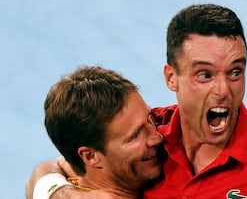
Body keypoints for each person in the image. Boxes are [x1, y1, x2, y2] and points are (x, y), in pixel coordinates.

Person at [26, 4, 247, 198]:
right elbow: (54, 167)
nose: (223, 90)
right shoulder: (153, 135)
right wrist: (66, 195)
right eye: (204, 75)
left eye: (235, 71)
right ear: (171, 78)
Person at [26, 66, 164, 199]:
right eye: (135, 136)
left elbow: (51, 168)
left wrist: (60, 193)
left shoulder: (80, 171)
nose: (157, 138)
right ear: (90, 156)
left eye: (150, 119)